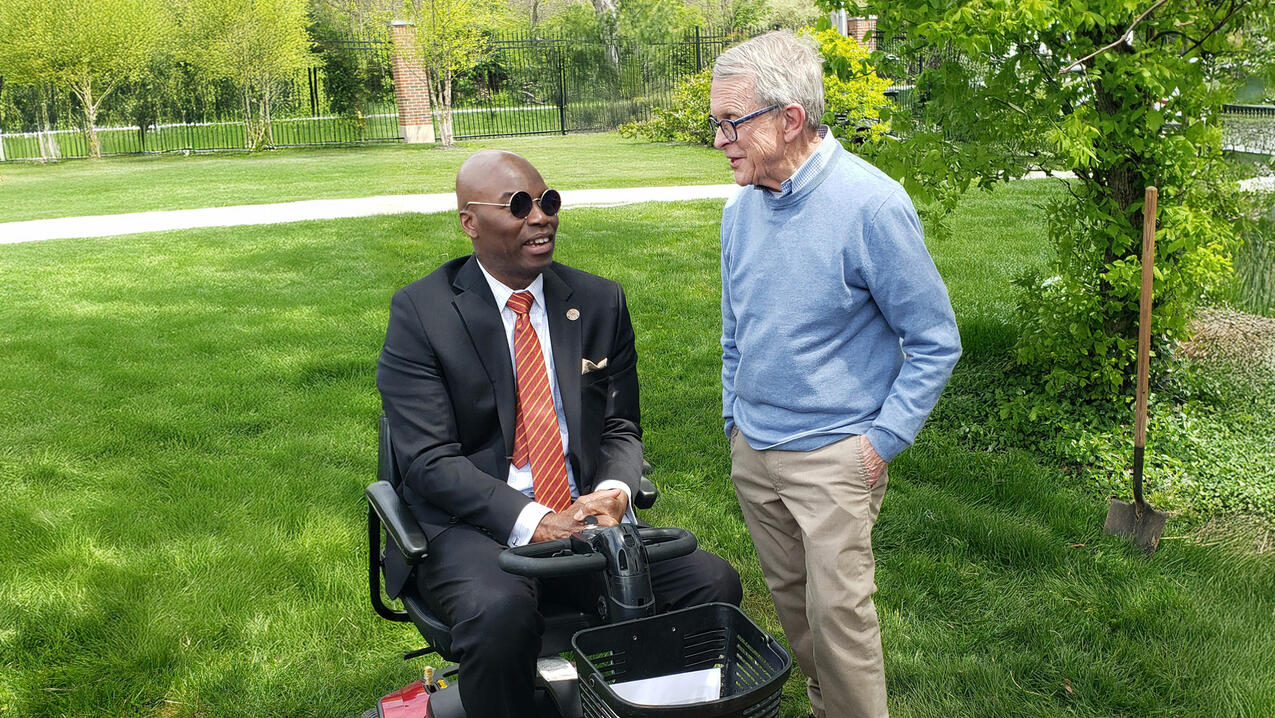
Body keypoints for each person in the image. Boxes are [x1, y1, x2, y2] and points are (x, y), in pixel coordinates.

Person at [377, 150, 742, 718]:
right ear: (468, 222)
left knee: (709, 584)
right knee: (500, 612)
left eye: (548, 202)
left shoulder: (598, 301)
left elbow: (620, 425)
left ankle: (650, 706)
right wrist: (538, 522)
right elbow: (427, 460)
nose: (541, 216)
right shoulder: (423, 313)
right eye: (518, 205)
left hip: (585, 517)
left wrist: (615, 492)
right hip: (475, 522)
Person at [711, 31, 962, 718]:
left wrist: (879, 445)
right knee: (795, 610)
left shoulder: (870, 207)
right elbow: (736, 330)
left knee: (840, 619)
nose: (719, 140)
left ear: (788, 119)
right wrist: (734, 417)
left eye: (729, 123)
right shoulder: (739, 214)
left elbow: (935, 340)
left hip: (834, 454)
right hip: (754, 449)